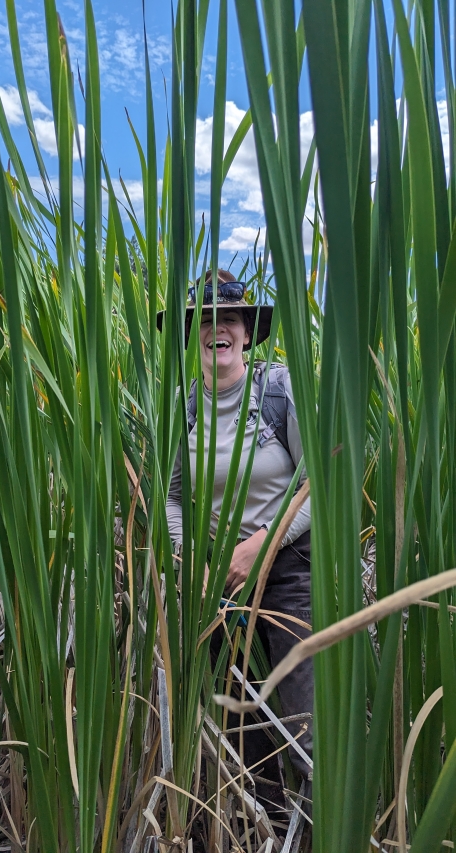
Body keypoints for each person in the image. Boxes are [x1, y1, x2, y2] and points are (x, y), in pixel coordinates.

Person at [158, 268, 313, 814]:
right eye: (204, 320)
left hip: (289, 572)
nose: (217, 328)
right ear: (192, 334)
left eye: (229, 318)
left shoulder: (280, 389)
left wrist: (261, 547)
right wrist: (190, 561)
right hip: (217, 585)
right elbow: (172, 499)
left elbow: (320, 482)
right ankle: (264, 828)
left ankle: (329, 827)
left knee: (303, 724)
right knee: (242, 733)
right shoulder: (182, 407)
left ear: (247, 332)